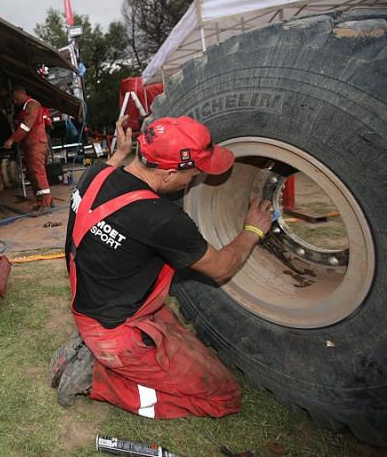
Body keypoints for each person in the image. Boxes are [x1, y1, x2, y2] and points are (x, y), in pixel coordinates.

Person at [51, 115, 273, 419]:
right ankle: (98, 379)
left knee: (184, 346)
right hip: (116, 335)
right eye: (194, 174)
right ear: (168, 175)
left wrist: (120, 151)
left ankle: (92, 349)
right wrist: (253, 230)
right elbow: (221, 267)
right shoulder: (162, 219)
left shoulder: (95, 174)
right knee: (223, 397)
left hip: (100, 306)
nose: (194, 179)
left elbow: (111, 165)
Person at [2, 84, 52, 216]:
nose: (14, 101)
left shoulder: (32, 104)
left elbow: (26, 126)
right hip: (31, 146)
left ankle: (45, 203)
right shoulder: (25, 107)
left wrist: (12, 139)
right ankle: (44, 201)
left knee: (38, 173)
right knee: (33, 174)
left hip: (36, 144)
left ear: (21, 93)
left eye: (15, 98)